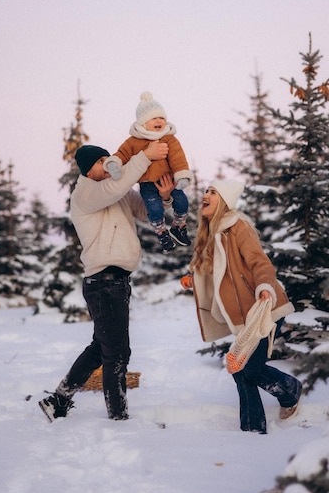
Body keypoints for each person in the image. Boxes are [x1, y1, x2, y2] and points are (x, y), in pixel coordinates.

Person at [39, 142, 174, 422]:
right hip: (102, 282)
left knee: (102, 348)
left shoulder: (117, 191)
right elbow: (115, 187)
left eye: (108, 158)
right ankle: (118, 417)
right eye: (101, 161)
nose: (108, 163)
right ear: (88, 169)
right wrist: (144, 157)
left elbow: (148, 213)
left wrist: (165, 198)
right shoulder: (85, 192)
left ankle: (58, 400)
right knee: (117, 353)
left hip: (118, 281)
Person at [181, 179, 302, 434]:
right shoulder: (211, 235)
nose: (206, 194)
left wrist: (265, 287)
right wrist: (195, 278)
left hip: (263, 308)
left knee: (251, 369)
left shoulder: (237, 227)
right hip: (243, 316)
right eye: (206, 190)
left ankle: (290, 390)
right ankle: (252, 429)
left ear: (224, 200)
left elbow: (260, 262)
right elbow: (220, 273)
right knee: (240, 370)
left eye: (213, 192)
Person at [104, 91, 193, 254]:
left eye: (162, 118)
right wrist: (115, 163)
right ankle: (162, 233)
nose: (159, 121)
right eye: (154, 118)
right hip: (147, 185)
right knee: (154, 209)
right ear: (143, 122)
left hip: (170, 181)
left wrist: (182, 174)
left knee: (182, 203)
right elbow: (122, 154)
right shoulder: (134, 141)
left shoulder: (169, 139)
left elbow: (177, 157)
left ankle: (178, 227)